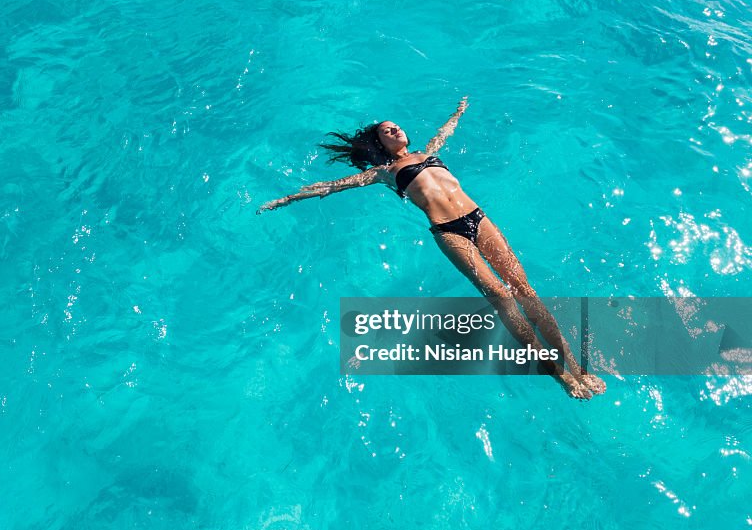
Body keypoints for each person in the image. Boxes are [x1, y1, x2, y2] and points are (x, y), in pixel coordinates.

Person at [257, 97, 606, 399]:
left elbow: (444, 131)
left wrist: (458, 112)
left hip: (478, 218)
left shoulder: (429, 152)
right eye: (385, 131)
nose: (394, 130)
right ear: (379, 143)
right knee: (502, 296)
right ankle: (558, 374)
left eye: (396, 127)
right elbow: (336, 185)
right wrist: (288, 197)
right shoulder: (383, 172)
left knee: (526, 290)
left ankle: (576, 366)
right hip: (449, 231)